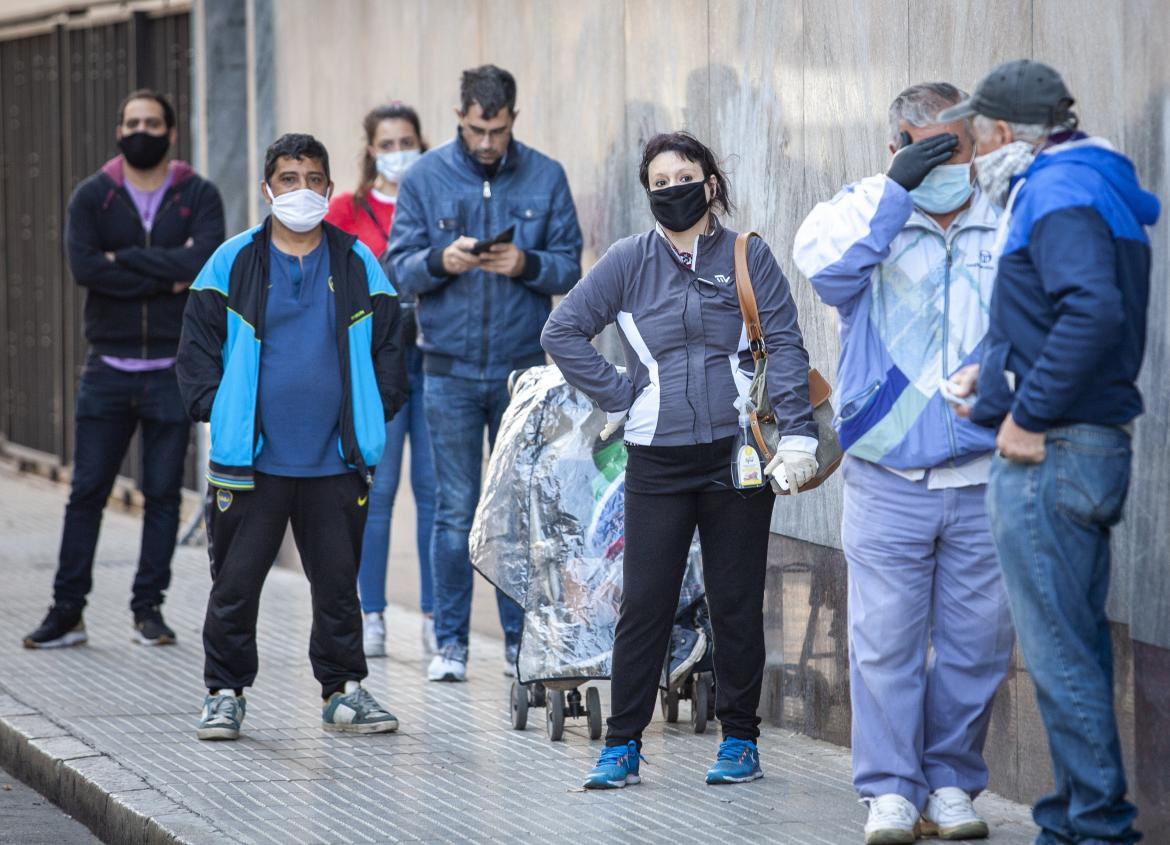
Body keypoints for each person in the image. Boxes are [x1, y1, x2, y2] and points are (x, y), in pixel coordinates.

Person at [542, 131, 819, 789]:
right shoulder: (628, 259)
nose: (672, 190)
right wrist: (623, 392)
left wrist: (800, 437)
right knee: (646, 603)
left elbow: (782, 344)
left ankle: (741, 740)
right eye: (658, 183)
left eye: (683, 177)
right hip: (657, 460)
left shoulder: (748, 256)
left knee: (734, 601)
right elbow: (562, 331)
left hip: (737, 459)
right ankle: (622, 744)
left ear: (711, 183)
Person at [792, 83, 1014, 844]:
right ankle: (889, 790)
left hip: (986, 470)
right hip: (889, 473)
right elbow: (825, 270)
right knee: (884, 641)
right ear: (898, 149)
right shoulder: (861, 211)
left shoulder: (1003, 213)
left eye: (960, 146)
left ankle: (951, 782)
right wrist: (896, 192)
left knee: (977, 643)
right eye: (929, 148)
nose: (951, 162)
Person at [944, 60, 1158, 845]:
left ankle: (1094, 829)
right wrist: (993, 378)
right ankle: (1072, 824)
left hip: (1055, 452)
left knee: (1061, 654)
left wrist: (1026, 414)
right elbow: (1063, 314)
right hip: (1084, 445)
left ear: (1005, 134)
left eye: (974, 132)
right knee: (1076, 647)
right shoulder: (1092, 182)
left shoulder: (1058, 191)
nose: (969, 146)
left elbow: (1091, 310)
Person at [177, 133, 407, 740]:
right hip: (250, 462)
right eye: (288, 178)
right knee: (235, 584)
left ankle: (343, 690)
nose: (300, 190)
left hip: (334, 460)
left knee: (337, 584)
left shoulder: (358, 261)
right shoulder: (232, 262)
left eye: (312, 179)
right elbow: (197, 347)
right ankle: (224, 693)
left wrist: (372, 413)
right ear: (266, 188)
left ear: (330, 190)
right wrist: (218, 409)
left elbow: (391, 345)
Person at [386, 64, 583, 682]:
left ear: (513, 120)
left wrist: (524, 262)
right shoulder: (424, 176)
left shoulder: (546, 176)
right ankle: (450, 644)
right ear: (459, 118)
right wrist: (440, 261)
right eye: (477, 130)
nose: (488, 142)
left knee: (522, 511)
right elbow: (396, 269)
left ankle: (521, 644)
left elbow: (571, 270)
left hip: (522, 372)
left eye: (497, 130)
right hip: (445, 371)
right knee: (454, 509)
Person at [22, 89, 225, 650]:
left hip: (170, 372)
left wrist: (125, 264)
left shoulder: (198, 195)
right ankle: (67, 611)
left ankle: (148, 610)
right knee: (86, 492)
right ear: (118, 131)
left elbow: (202, 262)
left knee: (162, 495)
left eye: (153, 122)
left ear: (172, 132)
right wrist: (166, 273)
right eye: (133, 122)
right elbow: (86, 268)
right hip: (107, 370)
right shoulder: (93, 196)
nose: (143, 130)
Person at [325, 103, 436, 659]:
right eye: (388, 143)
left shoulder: (439, 200)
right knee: (379, 490)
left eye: (407, 141)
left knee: (438, 496)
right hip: (375, 365)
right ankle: (371, 613)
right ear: (371, 149)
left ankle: (438, 617)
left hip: (434, 358)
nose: (399, 153)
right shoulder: (348, 209)